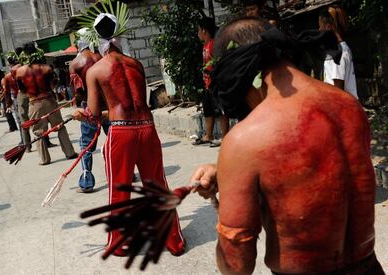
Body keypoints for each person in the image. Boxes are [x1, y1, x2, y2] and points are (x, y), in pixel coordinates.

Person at [191, 17, 384, 274]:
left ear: (241, 74)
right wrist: (228, 171)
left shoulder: (245, 139)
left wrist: (226, 196)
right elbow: (315, 168)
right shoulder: (349, 108)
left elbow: (236, 265)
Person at [80, 13, 186, 257]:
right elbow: (139, 101)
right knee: (158, 186)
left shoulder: (96, 70)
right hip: (147, 129)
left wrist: (81, 114)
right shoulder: (135, 64)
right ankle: (174, 242)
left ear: (97, 38)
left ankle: (120, 243)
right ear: (119, 34)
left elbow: (94, 114)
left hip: (121, 132)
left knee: (120, 188)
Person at [16, 43, 77, 165]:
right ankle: (70, 153)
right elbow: (53, 84)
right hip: (49, 100)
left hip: (34, 103)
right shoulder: (47, 68)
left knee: (38, 132)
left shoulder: (20, 72)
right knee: (60, 126)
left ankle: (44, 159)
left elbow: (22, 90)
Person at [70, 28, 109, 193]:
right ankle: (127, 175)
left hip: (89, 106)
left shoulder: (76, 63)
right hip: (107, 104)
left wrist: (79, 107)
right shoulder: (102, 57)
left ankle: (87, 181)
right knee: (115, 139)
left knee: (86, 145)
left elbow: (78, 90)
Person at [193, 16, 229, 147]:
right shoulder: (205, 45)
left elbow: (219, 63)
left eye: (198, 30)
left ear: (204, 30)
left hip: (216, 84)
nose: (197, 34)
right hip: (208, 84)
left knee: (220, 111)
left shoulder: (214, 44)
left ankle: (225, 137)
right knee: (207, 109)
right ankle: (208, 135)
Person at [319, 6, 358, 99]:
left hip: (341, 109)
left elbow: (337, 91)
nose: (319, 29)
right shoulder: (344, 48)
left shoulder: (336, 53)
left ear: (328, 27)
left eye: (320, 25)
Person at [2, 55, 25, 145]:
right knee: (36, 119)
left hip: (17, 98)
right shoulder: (25, 69)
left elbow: (7, 92)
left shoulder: (7, 76)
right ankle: (45, 141)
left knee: (21, 121)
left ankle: (24, 141)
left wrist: (8, 104)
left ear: (9, 63)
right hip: (31, 95)